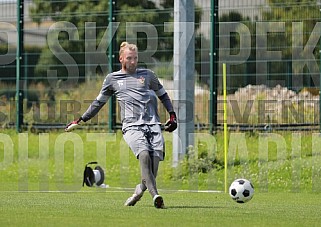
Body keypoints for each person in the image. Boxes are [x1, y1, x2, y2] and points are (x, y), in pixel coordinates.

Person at [65, 42, 177, 209]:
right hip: (132, 127)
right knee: (144, 155)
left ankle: (139, 190)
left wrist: (172, 115)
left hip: (154, 126)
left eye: (135, 58)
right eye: (129, 58)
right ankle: (156, 196)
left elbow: (164, 95)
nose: (133, 61)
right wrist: (81, 119)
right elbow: (98, 103)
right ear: (121, 58)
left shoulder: (148, 75)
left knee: (152, 167)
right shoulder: (113, 79)